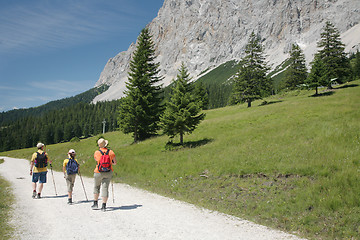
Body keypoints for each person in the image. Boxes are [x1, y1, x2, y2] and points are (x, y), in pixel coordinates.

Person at [91, 138, 117, 211]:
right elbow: (115, 163)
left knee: (96, 187)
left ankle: (95, 204)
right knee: (105, 188)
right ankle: (104, 206)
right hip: (108, 172)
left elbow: (96, 160)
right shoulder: (111, 152)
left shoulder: (97, 152)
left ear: (99, 145)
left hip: (98, 172)